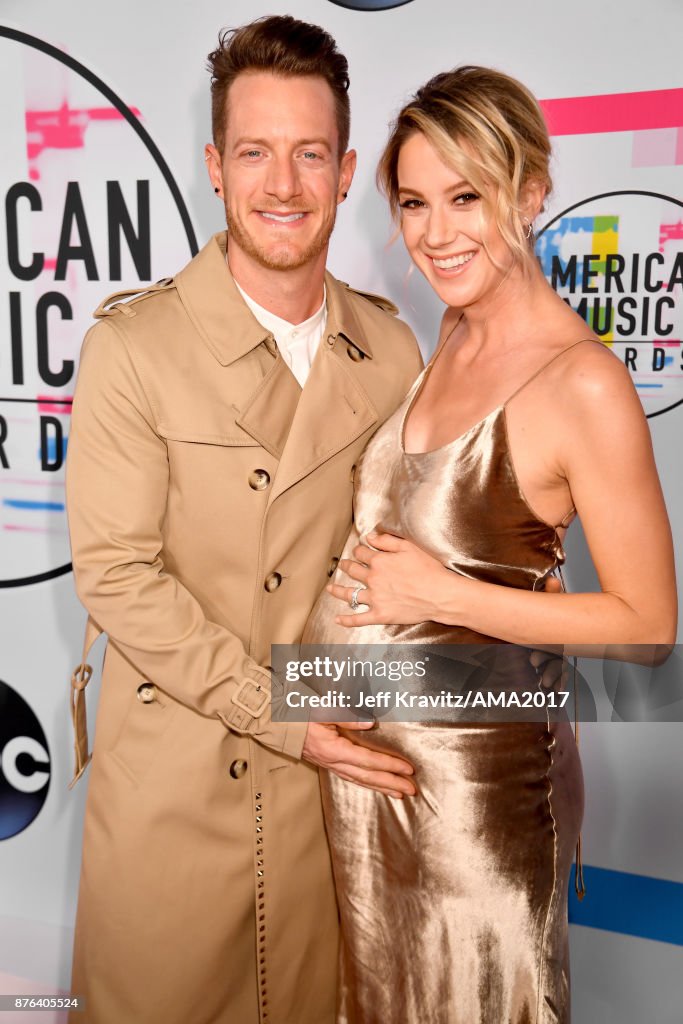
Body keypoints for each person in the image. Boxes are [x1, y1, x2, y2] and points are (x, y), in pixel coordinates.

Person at [64, 16, 423, 1024]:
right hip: (176, 803)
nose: (283, 183)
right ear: (215, 168)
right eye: (256, 152)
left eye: (309, 153)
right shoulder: (134, 350)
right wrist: (287, 717)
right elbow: (119, 577)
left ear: (346, 169)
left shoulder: (394, 352)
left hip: (328, 814)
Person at [303, 66, 677, 1023]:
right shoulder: (449, 337)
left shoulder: (580, 382)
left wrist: (448, 595)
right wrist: (303, 710)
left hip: (476, 808)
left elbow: (647, 627)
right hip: (367, 790)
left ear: (531, 190)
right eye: (414, 202)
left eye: (465, 196)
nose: (434, 234)